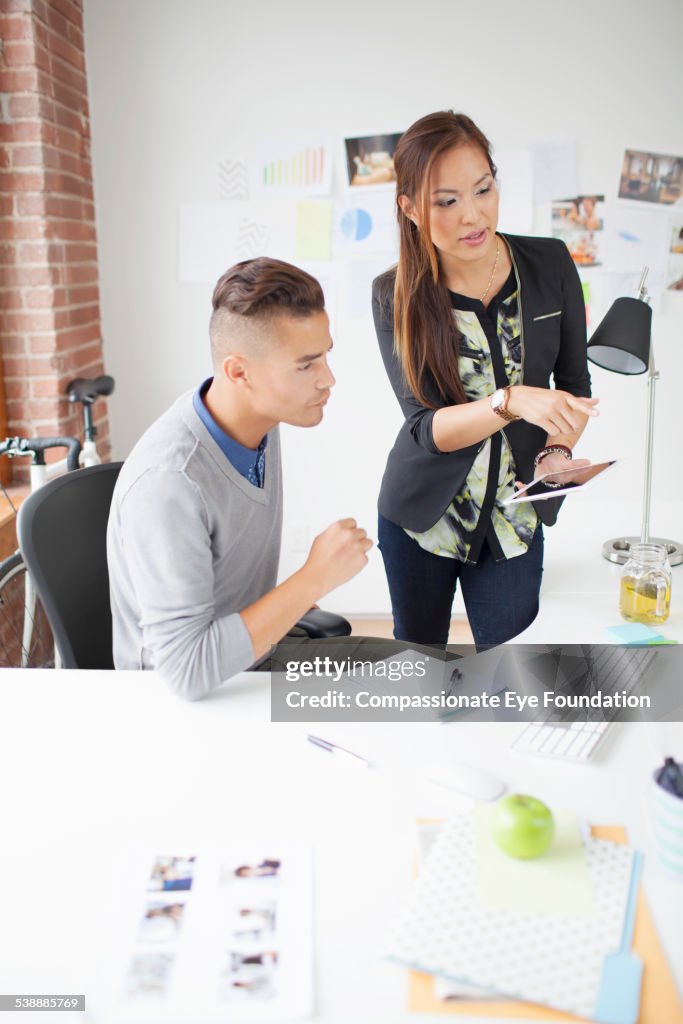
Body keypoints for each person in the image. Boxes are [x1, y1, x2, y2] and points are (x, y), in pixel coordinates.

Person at [372, 111, 599, 649]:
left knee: (513, 680)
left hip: (515, 519)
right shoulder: (395, 295)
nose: (472, 215)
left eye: (484, 189)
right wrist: (510, 401)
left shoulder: (549, 264)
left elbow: (574, 385)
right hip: (421, 520)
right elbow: (425, 428)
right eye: (446, 201)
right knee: (422, 673)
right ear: (410, 209)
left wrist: (556, 455)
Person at [107, 258, 373, 700]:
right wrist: (314, 577)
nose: (328, 379)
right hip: (191, 703)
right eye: (306, 365)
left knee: (455, 680)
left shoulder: (261, 418)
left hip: (251, 662)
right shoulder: (169, 483)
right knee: (438, 693)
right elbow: (184, 671)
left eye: (325, 355)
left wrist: (292, 603)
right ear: (238, 373)